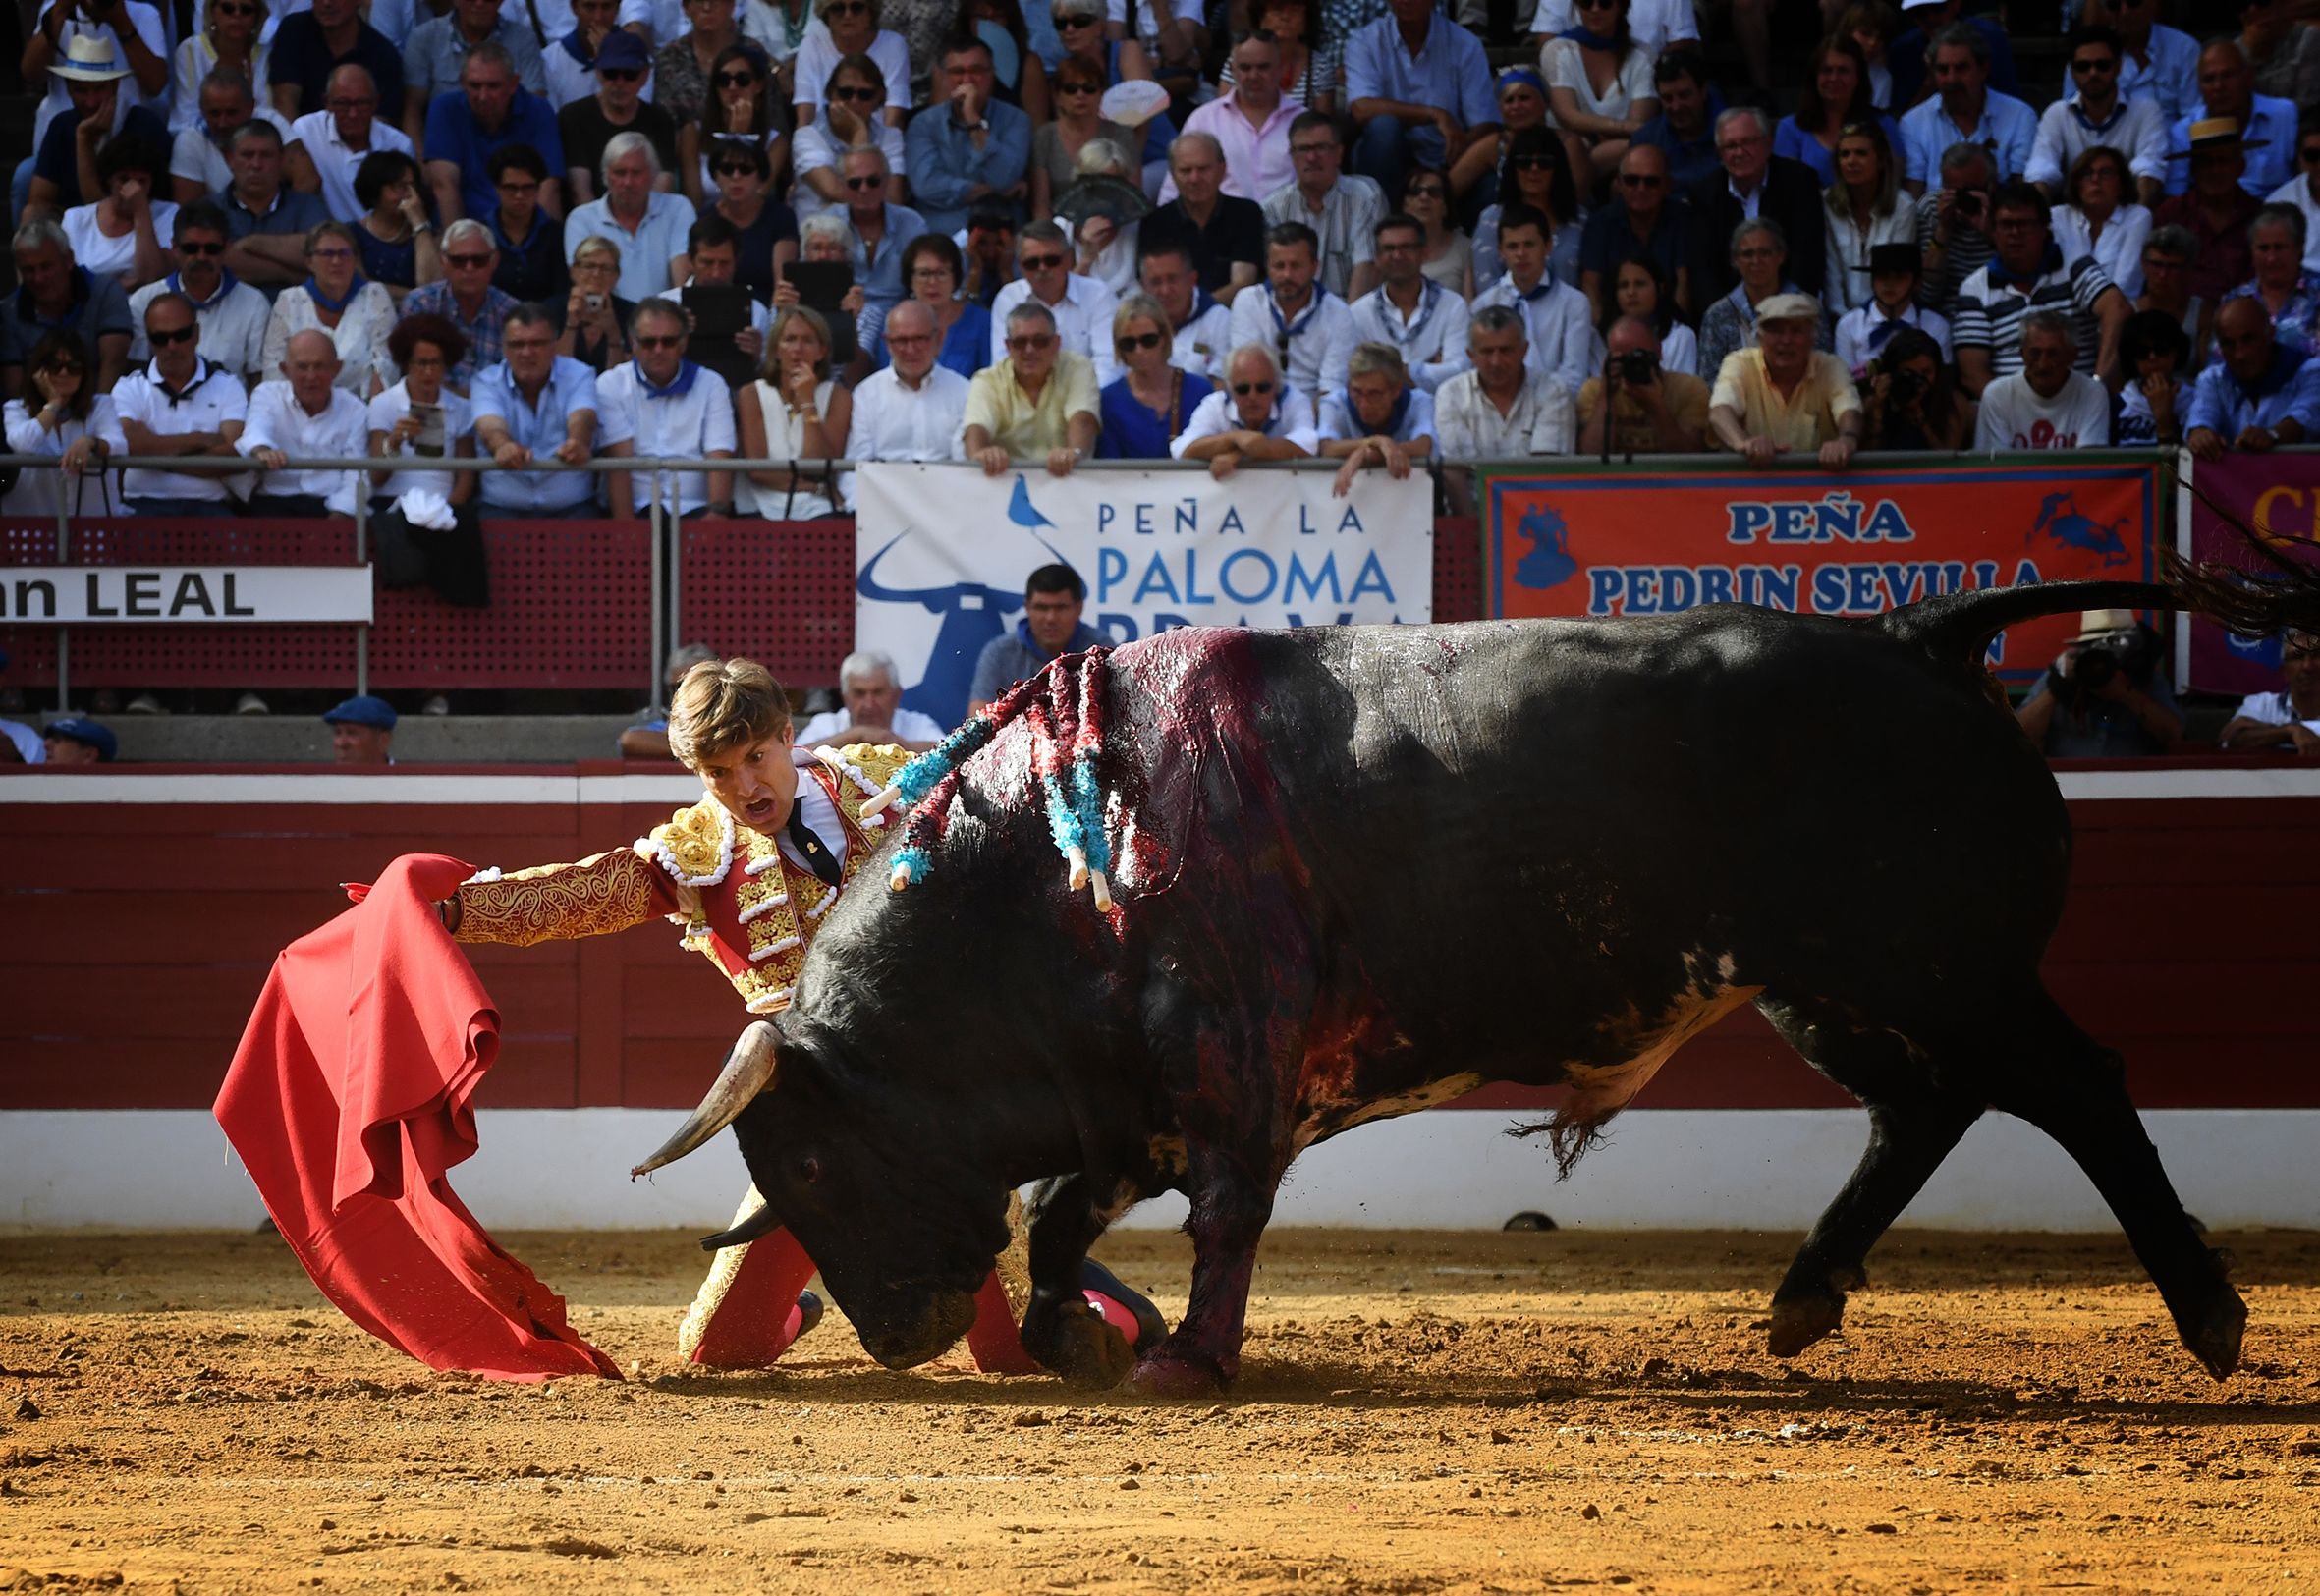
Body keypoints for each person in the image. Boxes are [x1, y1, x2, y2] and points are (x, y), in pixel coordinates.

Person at [438, 657, 1153, 1372]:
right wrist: (451, 912)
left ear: (788, 735)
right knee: (721, 1349)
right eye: (719, 773)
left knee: (1015, 1357)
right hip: (810, 1139)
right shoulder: (698, 855)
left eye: (755, 757)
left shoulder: (889, 783)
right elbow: (581, 895)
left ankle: (1108, 1306)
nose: (745, 786)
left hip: (937, 1127)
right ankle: (802, 1308)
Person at [1952, 180, 2129, 399]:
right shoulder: (1975, 288)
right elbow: (1973, 374)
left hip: (2080, 403)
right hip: (2012, 413)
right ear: (1994, 230)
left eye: (2024, 224)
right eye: (2006, 224)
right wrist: (2016, 413)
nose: (2015, 233)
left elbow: (2117, 309)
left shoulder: (2073, 266)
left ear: (2044, 228)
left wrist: (2098, 385)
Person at [593, 300, 737, 520]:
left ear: (683, 342)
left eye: (668, 341)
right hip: (635, 509)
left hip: (695, 510)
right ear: (633, 343)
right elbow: (618, 463)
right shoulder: (610, 384)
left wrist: (716, 515)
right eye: (649, 342)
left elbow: (719, 455)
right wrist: (626, 532)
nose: (658, 350)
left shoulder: (712, 384)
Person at [1342, 0, 1496, 205]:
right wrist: (1435, 114)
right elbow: (1362, 109)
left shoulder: (1465, 44)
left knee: (1490, 182)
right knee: (1384, 128)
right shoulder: (1365, 41)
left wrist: (1460, 154)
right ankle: (1383, 225)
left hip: (1448, 161)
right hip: (1391, 157)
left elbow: (1484, 123)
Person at [111, 290, 249, 516]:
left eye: (181, 335)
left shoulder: (228, 385)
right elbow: (127, 443)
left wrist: (151, 453)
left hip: (210, 506)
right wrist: (200, 440)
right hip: (143, 504)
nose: (172, 346)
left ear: (196, 334)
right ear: (149, 339)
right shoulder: (129, 386)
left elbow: (234, 456)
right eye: (160, 338)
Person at [1434, 306, 1574, 513]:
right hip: (1472, 515)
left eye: (1506, 350)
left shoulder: (1553, 390)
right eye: (1487, 351)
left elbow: (1546, 472)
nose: (1496, 362)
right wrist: (1478, 534)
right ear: (1471, 355)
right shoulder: (1450, 393)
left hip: (1538, 517)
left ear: (1524, 350)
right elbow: (1456, 474)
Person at [1687, 107, 1828, 310]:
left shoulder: (1799, 181)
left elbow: (1807, 258)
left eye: (1747, 143)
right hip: (1729, 309)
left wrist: (1785, 310)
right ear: (1720, 154)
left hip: (1792, 306)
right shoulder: (1704, 193)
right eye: (1730, 146)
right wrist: (1726, 315)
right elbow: (1703, 270)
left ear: (1768, 144)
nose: (1739, 152)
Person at [471, 301, 601, 514]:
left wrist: (578, 442)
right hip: (501, 507)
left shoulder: (580, 374)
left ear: (555, 346)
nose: (526, 353)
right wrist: (502, 446)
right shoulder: (485, 382)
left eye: (537, 343)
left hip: (572, 508)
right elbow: (490, 426)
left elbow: (583, 417)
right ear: (503, 348)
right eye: (517, 344)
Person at [1707, 291, 1862, 468]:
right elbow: (1720, 412)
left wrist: (1846, 440)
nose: (1786, 340)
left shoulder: (1831, 366)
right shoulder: (1739, 362)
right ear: (1760, 337)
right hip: (1749, 489)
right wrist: (1743, 443)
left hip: (1816, 489)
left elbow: (1849, 408)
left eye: (1796, 331)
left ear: (1812, 337)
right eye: (1776, 330)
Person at [28, 35, 171, 222]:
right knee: (30, 213)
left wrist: (83, 138)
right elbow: (39, 199)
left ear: (115, 86)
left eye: (99, 89)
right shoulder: (61, 125)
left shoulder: (145, 126)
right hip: (73, 225)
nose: (91, 101)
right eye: (81, 91)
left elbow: (100, 211)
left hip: (132, 227)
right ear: (68, 89)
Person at [366, 311, 477, 544]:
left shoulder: (461, 408)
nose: (428, 372)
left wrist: (446, 511)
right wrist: (394, 442)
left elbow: (465, 477)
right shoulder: (384, 404)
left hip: (443, 503)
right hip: (393, 502)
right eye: (421, 363)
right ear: (407, 363)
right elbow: (376, 477)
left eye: (435, 363)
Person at [2027, 25, 2165, 210]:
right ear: (2072, 71)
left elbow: (2150, 169)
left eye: (2102, 65)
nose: (2093, 73)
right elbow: (2041, 170)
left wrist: (2137, 223)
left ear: (2118, 66)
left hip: (2127, 214)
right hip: (2073, 219)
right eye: (2083, 66)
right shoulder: (2057, 114)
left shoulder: (2146, 111)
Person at [906, 33, 1030, 237]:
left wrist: (973, 120)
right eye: (957, 72)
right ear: (944, 77)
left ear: (992, 75)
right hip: (941, 236)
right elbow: (926, 186)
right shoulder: (923, 124)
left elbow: (1004, 177)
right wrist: (992, 192)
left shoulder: (1016, 120)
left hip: (1001, 237)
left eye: (977, 71)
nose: (967, 80)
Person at [424, 43, 564, 226]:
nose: (483, 96)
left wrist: (541, 243)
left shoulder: (538, 110)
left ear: (513, 84)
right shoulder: (445, 109)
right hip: (468, 232)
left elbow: (548, 186)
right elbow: (444, 185)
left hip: (524, 231)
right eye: (475, 86)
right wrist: (457, 242)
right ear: (462, 82)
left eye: (493, 86)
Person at [127, 201, 271, 378]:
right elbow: (136, 372)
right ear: (174, 248)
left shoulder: (254, 303)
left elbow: (256, 378)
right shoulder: (143, 301)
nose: (201, 257)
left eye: (211, 249)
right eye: (191, 248)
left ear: (226, 249)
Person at [2014, 608, 2182, 758]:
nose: (2102, 661)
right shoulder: (2062, 677)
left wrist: (2128, 695)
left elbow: (2175, 737)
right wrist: (2058, 686)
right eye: (2095, 649)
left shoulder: (2145, 679)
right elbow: (2018, 739)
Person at [843, 299, 969, 492]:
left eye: (920, 339)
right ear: (887, 343)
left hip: (947, 503)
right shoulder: (867, 394)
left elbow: (965, 468)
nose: (910, 350)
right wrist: (862, 511)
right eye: (901, 340)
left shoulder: (964, 391)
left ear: (939, 339)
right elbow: (855, 467)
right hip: (884, 504)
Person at [735, 304, 850, 518]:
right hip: (761, 506)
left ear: (821, 351)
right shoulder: (751, 394)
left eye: (808, 340)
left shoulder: (839, 396)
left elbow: (818, 467)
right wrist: (815, 487)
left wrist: (808, 402)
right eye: (789, 339)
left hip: (817, 508)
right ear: (776, 349)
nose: (798, 349)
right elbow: (758, 470)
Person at [240, 326, 369, 514]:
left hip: (328, 506)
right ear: (285, 370)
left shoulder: (355, 408)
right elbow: (255, 431)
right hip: (274, 502)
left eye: (320, 366)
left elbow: (357, 474)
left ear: (337, 369)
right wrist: (262, 450)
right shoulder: (267, 394)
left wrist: (339, 516)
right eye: (302, 367)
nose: (311, 376)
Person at [259, 218, 397, 395]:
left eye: (344, 253)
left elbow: (385, 364)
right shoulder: (289, 300)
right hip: (298, 411)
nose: (336, 261)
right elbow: (274, 369)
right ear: (310, 262)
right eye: (327, 254)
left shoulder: (375, 295)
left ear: (355, 260)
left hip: (359, 410)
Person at [963, 299, 1098, 474]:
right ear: (1008, 346)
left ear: (1056, 343)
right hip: (1005, 489)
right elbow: (975, 429)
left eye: (1040, 341)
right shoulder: (987, 380)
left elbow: (1083, 420)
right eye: (1020, 342)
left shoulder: (1078, 368)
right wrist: (981, 454)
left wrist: (1074, 453)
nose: (1030, 350)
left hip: (1068, 481)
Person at [2, 219, 135, 399]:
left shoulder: (105, 291)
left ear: (68, 260)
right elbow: (16, 392)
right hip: (40, 416)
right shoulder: (11, 310)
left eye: (46, 267)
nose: (38, 278)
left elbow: (114, 363)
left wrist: (96, 418)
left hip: (101, 407)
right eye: (29, 270)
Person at [1261, 112, 1384, 303]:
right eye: (1303, 149)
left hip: (1352, 315)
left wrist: (1346, 326)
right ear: (1292, 156)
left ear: (1339, 153)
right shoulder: (1272, 208)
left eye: (1322, 148)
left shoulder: (1366, 196)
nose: (1312, 157)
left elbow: (1367, 267)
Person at [1898, 24, 2035, 196]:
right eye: (1943, 69)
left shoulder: (2019, 116)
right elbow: (1913, 198)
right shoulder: (1913, 123)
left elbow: (2022, 193)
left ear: (1983, 69)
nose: (1951, 78)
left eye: (1961, 68)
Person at [2, 330, 126, 518]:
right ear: (39, 371)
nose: (64, 373)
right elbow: (24, 444)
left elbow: (120, 445)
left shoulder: (101, 404)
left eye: (73, 366)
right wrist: (54, 403)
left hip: (92, 530)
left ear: (84, 373)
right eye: (54, 366)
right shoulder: (16, 408)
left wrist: (89, 442)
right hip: (31, 530)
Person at [559, 133, 693, 302]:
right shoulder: (581, 219)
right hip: (607, 320)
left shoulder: (677, 209)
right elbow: (588, 285)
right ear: (606, 176)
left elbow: (682, 283)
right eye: (620, 172)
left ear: (653, 176)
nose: (628, 182)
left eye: (636, 173)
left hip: (664, 321)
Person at [2184, 295, 2320, 462]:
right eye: (2228, 343)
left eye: (2248, 339)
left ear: (2270, 333)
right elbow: (2201, 417)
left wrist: (2272, 436)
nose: (2239, 354)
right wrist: (2201, 435)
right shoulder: (2212, 379)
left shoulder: (2311, 372)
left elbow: (2305, 418)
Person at [1171, 28, 1298, 207]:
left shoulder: (1302, 121)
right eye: (1245, 67)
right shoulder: (1204, 120)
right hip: (1222, 230)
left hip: (1288, 229)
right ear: (1232, 70)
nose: (1254, 75)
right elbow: (1174, 188)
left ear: (1281, 68)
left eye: (1263, 67)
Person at [1540, 0, 1656, 190]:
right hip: (1569, 151)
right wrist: (1617, 127)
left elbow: (1639, 126)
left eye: (1605, 3)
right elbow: (1568, 116)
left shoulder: (1644, 56)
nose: (1595, 9)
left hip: (1619, 155)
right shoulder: (1556, 50)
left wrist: (1600, 132)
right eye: (1586, 3)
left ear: (1620, 6)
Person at [1137, 133, 1265, 304]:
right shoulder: (1155, 223)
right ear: (1173, 175)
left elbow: (1243, 283)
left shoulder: (1245, 214)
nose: (1195, 178)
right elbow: (1154, 286)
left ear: (1222, 169)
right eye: (1185, 170)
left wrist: (1197, 312)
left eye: (1203, 169)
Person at [1350, 210, 1469, 394]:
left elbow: (1459, 373)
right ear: (1377, 258)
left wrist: (1388, 371)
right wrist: (1429, 369)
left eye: (1406, 247)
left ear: (1425, 253)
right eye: (1389, 249)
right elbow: (1354, 376)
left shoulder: (1453, 306)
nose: (1397, 256)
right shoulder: (1359, 313)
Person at [400, 0, 547, 144]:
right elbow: (411, 109)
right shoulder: (424, 38)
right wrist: (419, 165)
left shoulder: (523, 40)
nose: (480, 3)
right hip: (445, 146)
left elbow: (535, 108)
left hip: (508, 147)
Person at [991, 218, 1119, 384]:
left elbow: (1108, 365)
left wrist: (1082, 403)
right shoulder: (1008, 298)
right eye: (1032, 263)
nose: (1042, 269)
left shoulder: (1098, 295)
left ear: (1068, 259)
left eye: (1051, 261)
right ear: (1021, 267)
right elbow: (1003, 366)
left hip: (1089, 400)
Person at [2164, 39, 2294, 201]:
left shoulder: (2285, 115)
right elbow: (2176, 196)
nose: (2218, 86)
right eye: (2209, 79)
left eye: (2227, 75)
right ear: (2199, 87)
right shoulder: (2183, 132)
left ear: (2248, 77)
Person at [2153, 119, 2263, 311]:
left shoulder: (2259, 216)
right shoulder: (2172, 213)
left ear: (2241, 167)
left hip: (2243, 317)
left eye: (2223, 161)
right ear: (2193, 170)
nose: (2214, 171)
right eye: (2205, 163)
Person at [558, 29, 679, 205]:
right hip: (590, 223)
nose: (619, 83)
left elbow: (662, 185)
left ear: (645, 76)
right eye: (611, 73)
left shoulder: (660, 120)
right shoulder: (573, 117)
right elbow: (580, 189)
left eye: (629, 74)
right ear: (598, 73)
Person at [1168, 339, 1314, 481]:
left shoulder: (1295, 400)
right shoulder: (1215, 404)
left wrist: (1240, 453)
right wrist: (1234, 439)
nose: (1253, 396)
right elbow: (1182, 448)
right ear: (1229, 388)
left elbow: (1309, 444)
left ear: (1276, 385)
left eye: (1262, 388)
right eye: (1242, 389)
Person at [215, 118, 333, 293]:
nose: (256, 165)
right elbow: (217, 260)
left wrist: (252, 243)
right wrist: (287, 274)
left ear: (282, 159)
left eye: (266, 155)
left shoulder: (308, 205)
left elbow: (324, 254)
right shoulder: (210, 208)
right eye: (247, 155)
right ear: (229, 159)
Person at [287, 64, 414, 224]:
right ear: (327, 102)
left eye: (361, 103)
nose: (353, 114)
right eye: (343, 104)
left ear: (376, 103)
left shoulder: (399, 145)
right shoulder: (306, 130)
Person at [397, 218, 514, 393]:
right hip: (433, 408)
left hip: (493, 413)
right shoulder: (420, 306)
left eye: (478, 260)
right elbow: (410, 373)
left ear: (494, 261)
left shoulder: (511, 313)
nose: (469, 268)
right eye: (458, 261)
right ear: (443, 261)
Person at [789, 52, 908, 223]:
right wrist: (859, 136)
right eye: (845, 93)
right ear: (831, 93)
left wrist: (858, 134)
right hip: (822, 235)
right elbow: (834, 192)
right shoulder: (807, 136)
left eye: (864, 95)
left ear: (878, 98)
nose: (854, 101)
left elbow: (893, 200)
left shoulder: (890, 136)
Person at [1697, 217, 1820, 382]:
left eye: (1765, 253)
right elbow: (1709, 380)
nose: (1756, 261)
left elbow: (1821, 369)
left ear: (1781, 256)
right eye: (1748, 254)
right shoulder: (1717, 315)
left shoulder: (1808, 308)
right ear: (1735, 260)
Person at [967, 565, 1103, 712]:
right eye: (1041, 608)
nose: (1051, 618)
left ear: (1079, 608)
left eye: (1061, 608)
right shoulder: (1000, 653)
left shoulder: (1100, 651)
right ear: (1027, 607)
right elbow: (979, 715)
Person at [1578, 142, 1687, 324]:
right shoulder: (1600, 223)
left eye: (1651, 181)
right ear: (1619, 184)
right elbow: (1591, 287)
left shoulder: (1684, 219)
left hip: (1670, 334)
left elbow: (1684, 286)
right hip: (1612, 335)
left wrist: (1672, 335)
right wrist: (1605, 337)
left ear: (1668, 185)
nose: (1641, 188)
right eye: (1632, 180)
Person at [1973, 309, 2110, 450]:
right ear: (2022, 354)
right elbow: (1995, 465)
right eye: (2035, 353)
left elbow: (2089, 465)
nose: (2043, 364)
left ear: (2072, 355)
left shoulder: (2092, 393)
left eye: (2053, 354)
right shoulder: (1997, 395)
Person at [1096, 290, 1209, 458]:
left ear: (1164, 338)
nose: (1139, 350)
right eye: (1129, 343)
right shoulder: (1109, 401)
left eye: (1148, 340)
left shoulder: (1200, 391)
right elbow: (1110, 470)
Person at [1575, 312, 1707, 456]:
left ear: (1659, 350)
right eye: (1624, 359)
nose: (1634, 365)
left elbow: (1690, 458)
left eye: (1639, 355)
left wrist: (1656, 407)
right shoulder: (1594, 390)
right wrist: (1606, 398)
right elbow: (1592, 455)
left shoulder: (1689, 388)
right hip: (1617, 476)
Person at [1775, 34, 1894, 193]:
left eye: (1843, 71)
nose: (1834, 78)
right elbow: (1787, 191)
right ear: (1815, 77)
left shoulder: (1884, 125)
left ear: (1859, 77)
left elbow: (1891, 187)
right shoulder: (1789, 128)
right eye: (1826, 70)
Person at [680, 42, 789, 211]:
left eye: (742, 80)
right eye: (723, 80)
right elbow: (694, 205)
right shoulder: (693, 132)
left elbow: (750, 202)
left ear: (759, 85)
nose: (732, 87)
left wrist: (739, 139)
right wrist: (733, 137)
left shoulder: (776, 142)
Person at [1473, 128, 1581, 292]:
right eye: (1524, 162)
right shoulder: (1491, 219)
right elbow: (1487, 287)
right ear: (1512, 168)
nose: (1534, 169)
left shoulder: (1580, 219)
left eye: (1544, 163)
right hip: (1504, 314)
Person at [1317, 340, 1430, 497]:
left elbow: (1423, 445)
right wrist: (1377, 441)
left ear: (1396, 390)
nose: (1364, 403)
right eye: (1357, 391)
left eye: (1374, 394)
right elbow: (1327, 448)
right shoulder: (1334, 403)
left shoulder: (1419, 402)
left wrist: (1365, 453)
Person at [169, 65, 294, 206]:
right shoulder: (189, 141)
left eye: (231, 113)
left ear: (251, 107)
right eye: (214, 113)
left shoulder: (272, 121)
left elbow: (307, 179)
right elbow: (190, 214)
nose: (222, 123)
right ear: (202, 109)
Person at [1821, 120, 1911, 316]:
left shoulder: (1903, 206)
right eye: (1844, 154)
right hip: (1838, 317)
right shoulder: (1826, 203)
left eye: (1861, 153)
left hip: (1888, 314)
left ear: (1880, 160)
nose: (1851, 161)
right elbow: (1831, 270)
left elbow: (1895, 275)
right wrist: (1842, 319)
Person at [1030, 51, 1133, 222]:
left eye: (1089, 88)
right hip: (1062, 231)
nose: (1080, 95)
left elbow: (1131, 199)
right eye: (1071, 89)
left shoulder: (1122, 134)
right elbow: (1041, 206)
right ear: (1056, 96)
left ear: (1102, 93)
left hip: (1115, 226)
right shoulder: (1044, 136)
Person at [62, 136, 172, 290]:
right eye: (123, 179)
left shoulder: (168, 214)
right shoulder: (76, 218)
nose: (133, 189)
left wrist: (141, 212)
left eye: (142, 181)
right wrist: (121, 285)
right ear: (109, 179)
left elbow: (151, 276)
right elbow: (67, 279)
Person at [267, 0, 404, 121]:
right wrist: (295, 146)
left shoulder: (383, 54)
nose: (327, 3)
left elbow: (380, 124)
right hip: (297, 142)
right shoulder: (294, 30)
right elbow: (284, 102)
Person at [2052, 144, 2152, 303]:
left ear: (2121, 184)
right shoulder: (2057, 217)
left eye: (2105, 173)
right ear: (2077, 184)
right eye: (2087, 174)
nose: (2095, 179)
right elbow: (2055, 281)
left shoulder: (2137, 218)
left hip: (2117, 314)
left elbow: (2126, 286)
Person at [790, 0, 911, 130]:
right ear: (826, 14)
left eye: (857, 7)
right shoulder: (812, 44)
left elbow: (894, 111)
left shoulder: (893, 45)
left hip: (878, 142)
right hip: (821, 143)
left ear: (871, 13)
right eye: (837, 8)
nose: (847, 15)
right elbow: (805, 113)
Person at [1834, 240, 1948, 375]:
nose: (1889, 284)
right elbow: (1845, 386)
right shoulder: (1848, 325)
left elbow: (1941, 383)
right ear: (1872, 280)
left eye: (1899, 277)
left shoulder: (1936, 326)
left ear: (1917, 283)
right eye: (1882, 276)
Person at [700, 139, 795, 303]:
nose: (736, 176)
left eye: (746, 169)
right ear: (715, 175)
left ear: (761, 177)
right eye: (727, 169)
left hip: (768, 311)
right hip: (716, 306)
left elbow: (782, 285)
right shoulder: (706, 217)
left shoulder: (781, 217)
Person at [2077, 0, 2198, 125]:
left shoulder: (2184, 49)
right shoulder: (2085, 57)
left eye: (2133, 3)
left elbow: (2194, 115)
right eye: (2114, 5)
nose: (2124, 12)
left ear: (2153, 4)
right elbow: (2072, 116)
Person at [794, 649, 944, 748]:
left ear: (896, 696)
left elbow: (952, 756)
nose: (869, 704)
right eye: (859, 693)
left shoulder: (918, 724)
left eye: (878, 693)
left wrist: (893, 744)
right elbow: (796, 758)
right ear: (844, 698)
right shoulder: (826, 724)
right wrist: (855, 736)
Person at [1912, 139, 1995, 317]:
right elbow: (1927, 293)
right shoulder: (1931, 207)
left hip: (1996, 306)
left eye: (1971, 189)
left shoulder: (2006, 209)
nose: (1963, 198)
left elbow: (2023, 274)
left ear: (1992, 184)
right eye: (1954, 191)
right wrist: (1943, 229)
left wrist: (1990, 230)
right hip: (1944, 312)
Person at [170, 0, 271, 141]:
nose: (237, 15)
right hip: (201, 143)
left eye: (246, 10)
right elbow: (184, 119)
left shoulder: (267, 55)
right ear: (212, 12)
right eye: (228, 8)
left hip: (253, 145)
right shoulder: (190, 51)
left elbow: (269, 115)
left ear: (257, 16)